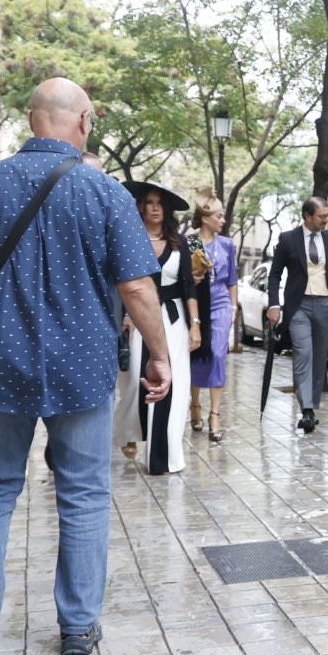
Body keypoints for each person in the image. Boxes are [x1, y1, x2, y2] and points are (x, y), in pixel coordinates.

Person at [0, 78, 170, 655]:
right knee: (84, 494)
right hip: (82, 366)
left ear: (32, 120)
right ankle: (79, 626)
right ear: (82, 122)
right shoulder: (104, 192)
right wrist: (160, 354)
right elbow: (136, 286)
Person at [114, 183, 200, 474]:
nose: (154, 208)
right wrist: (126, 314)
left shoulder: (180, 244)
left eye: (159, 204)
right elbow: (124, 282)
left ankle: (167, 453)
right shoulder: (130, 239)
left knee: (175, 384)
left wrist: (195, 325)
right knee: (134, 381)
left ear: (167, 211)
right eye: (149, 202)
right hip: (139, 320)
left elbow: (189, 285)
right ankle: (130, 432)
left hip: (174, 321)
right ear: (140, 207)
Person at [266, 198, 328, 433]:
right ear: (307, 216)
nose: (326, 220)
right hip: (299, 305)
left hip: (326, 304)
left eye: (327, 215)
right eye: (322, 216)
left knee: (320, 357)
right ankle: (307, 410)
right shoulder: (287, 239)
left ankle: (313, 404)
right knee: (303, 354)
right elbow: (275, 275)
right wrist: (274, 304)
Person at [189, 198, 239, 442]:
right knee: (196, 354)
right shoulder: (188, 243)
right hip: (196, 302)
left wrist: (233, 306)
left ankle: (215, 415)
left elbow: (232, 280)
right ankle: (195, 405)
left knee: (218, 355)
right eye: (218, 216)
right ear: (205, 217)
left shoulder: (227, 244)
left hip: (220, 303)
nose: (223, 220)